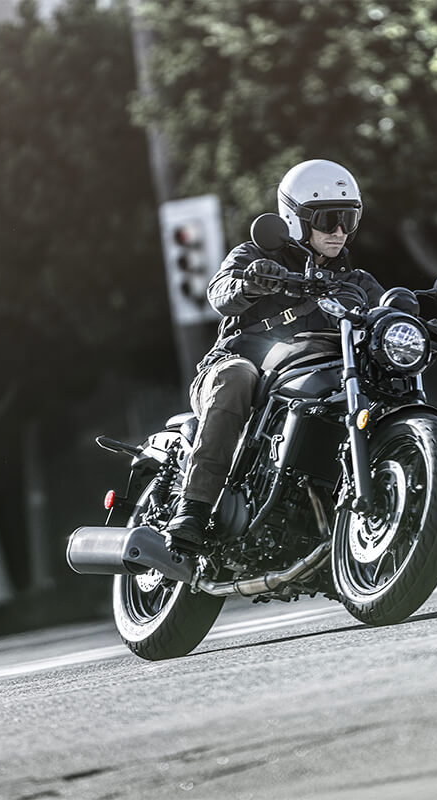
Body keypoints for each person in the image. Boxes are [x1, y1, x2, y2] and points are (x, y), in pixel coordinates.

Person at [165, 159, 385, 555]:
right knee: (237, 378)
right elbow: (220, 294)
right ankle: (192, 509)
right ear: (296, 219)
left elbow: (382, 312)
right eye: (328, 218)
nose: (338, 231)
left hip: (315, 379)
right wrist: (249, 282)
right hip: (237, 369)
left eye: (348, 219)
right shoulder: (254, 254)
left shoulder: (357, 283)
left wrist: (415, 321)